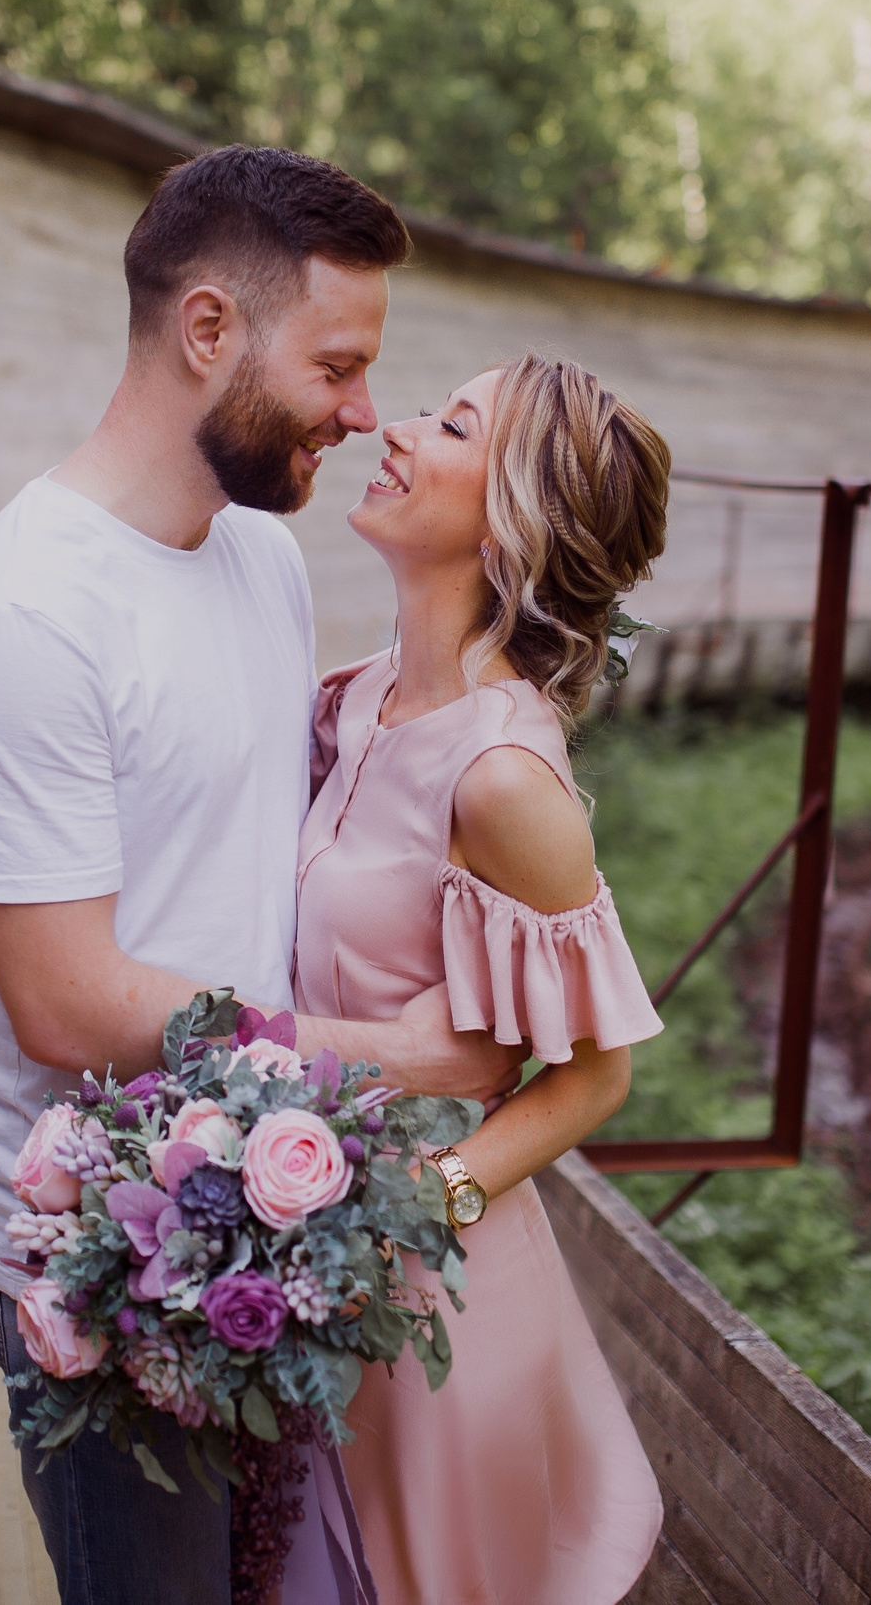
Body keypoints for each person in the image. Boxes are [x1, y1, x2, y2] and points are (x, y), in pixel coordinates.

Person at [0, 147, 526, 1605]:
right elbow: (65, 1002)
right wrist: (406, 1055)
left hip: (259, 1231)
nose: (365, 409)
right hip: (91, 1273)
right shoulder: (23, 622)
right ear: (207, 331)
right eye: (339, 364)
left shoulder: (260, 554)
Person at [294, 353, 672, 1603]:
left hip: (426, 1309)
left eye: (450, 424)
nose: (393, 429)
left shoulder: (505, 779)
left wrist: (423, 1207)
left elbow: (593, 1075)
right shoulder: (348, 702)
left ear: (510, 519)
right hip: (298, 1251)